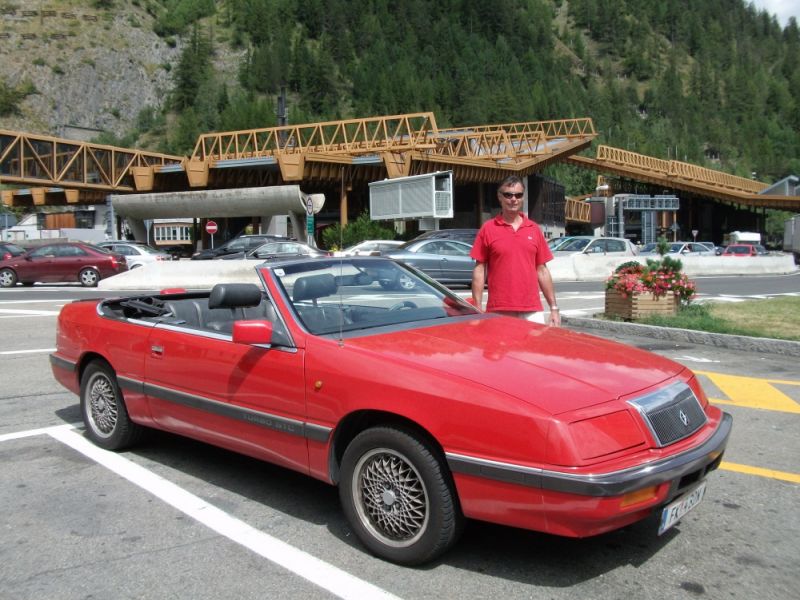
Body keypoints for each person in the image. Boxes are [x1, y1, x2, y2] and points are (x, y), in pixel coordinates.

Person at [470, 175, 560, 326]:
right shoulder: (488, 228)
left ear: (523, 197)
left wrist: (554, 308)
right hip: (499, 309)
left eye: (518, 195)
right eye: (508, 195)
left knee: (532, 350)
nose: (513, 199)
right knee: (501, 350)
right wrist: (477, 307)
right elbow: (479, 270)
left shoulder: (534, 229)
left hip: (532, 310)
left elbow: (542, 271)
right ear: (500, 197)